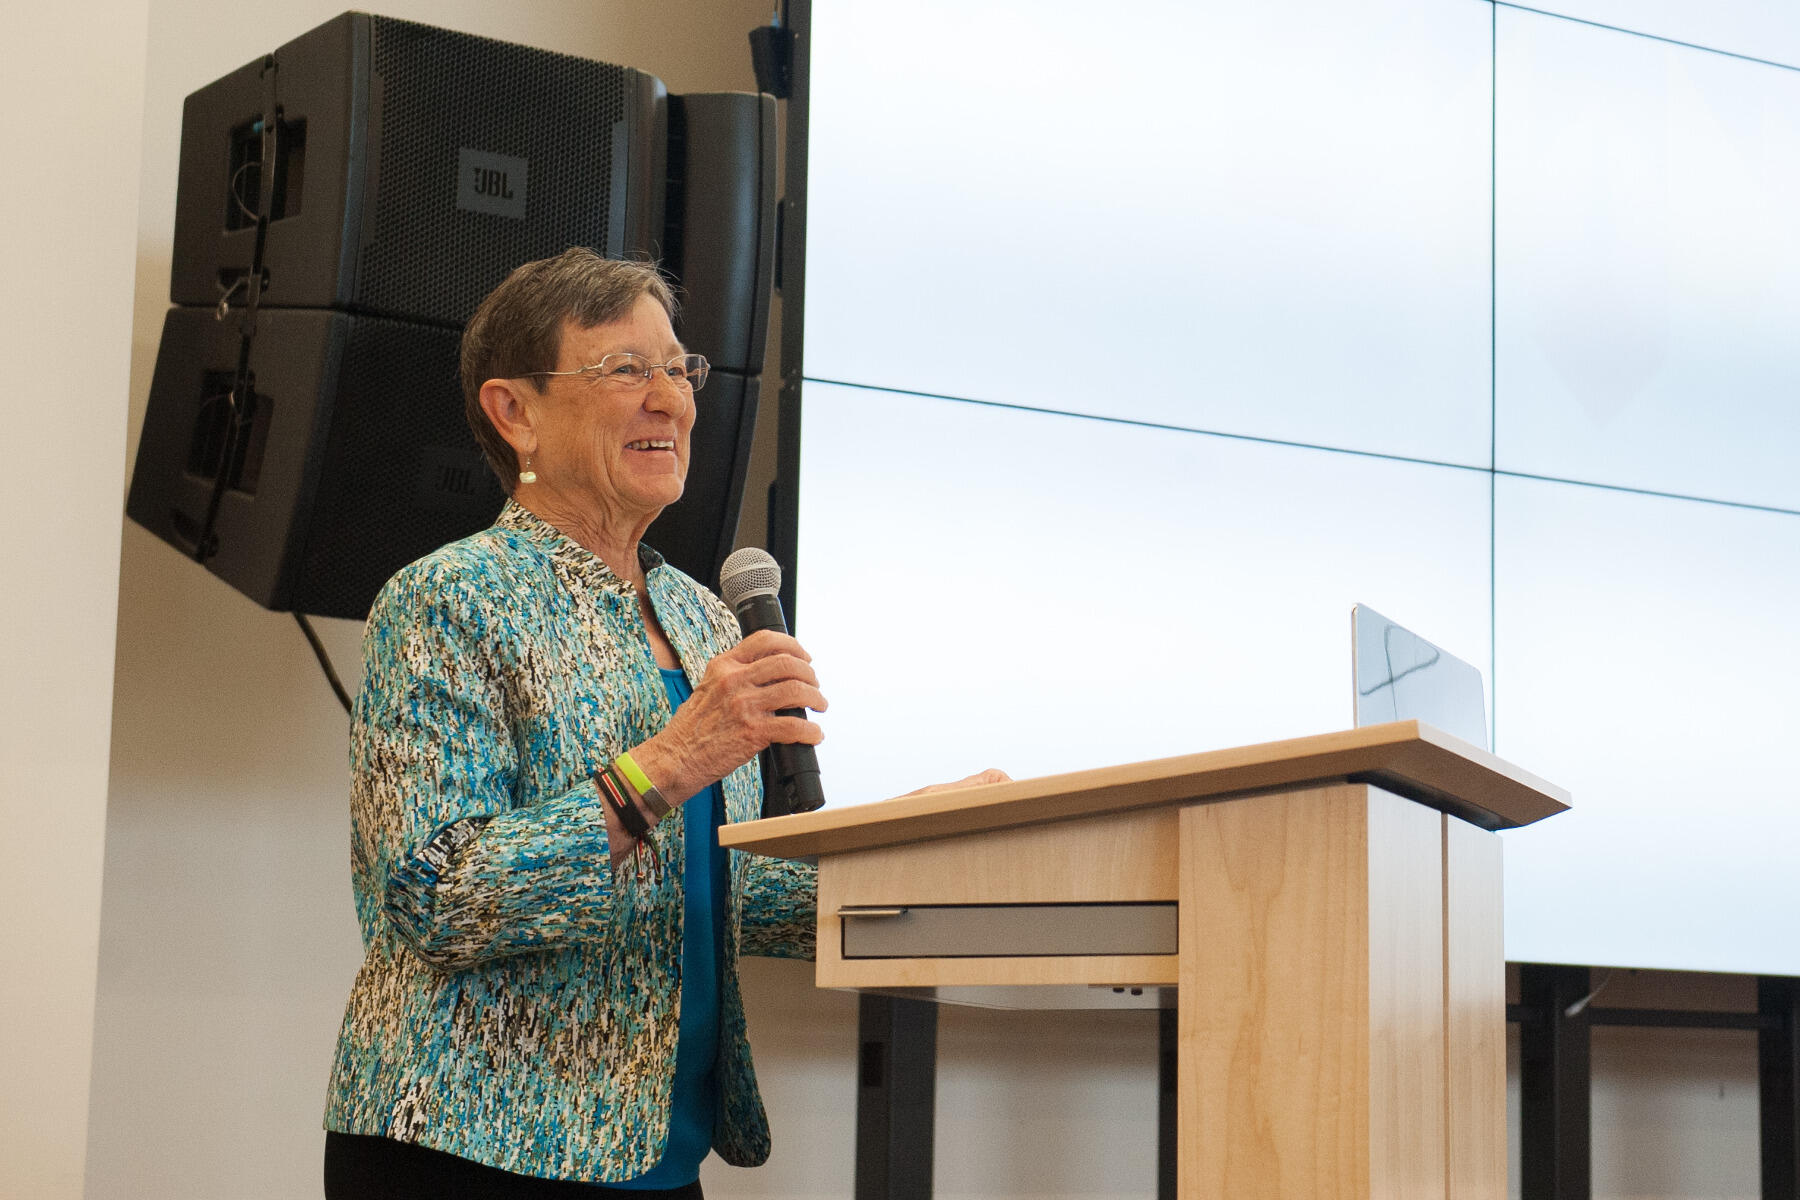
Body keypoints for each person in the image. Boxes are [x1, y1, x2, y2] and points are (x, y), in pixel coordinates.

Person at [322, 248, 1003, 1198]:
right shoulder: (446, 600)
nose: (669, 400)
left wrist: (901, 847)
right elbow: (439, 897)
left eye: (679, 370)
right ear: (514, 411)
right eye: (626, 369)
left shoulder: (703, 617)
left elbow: (712, 894)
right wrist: (673, 760)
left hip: (656, 1153)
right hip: (470, 1145)